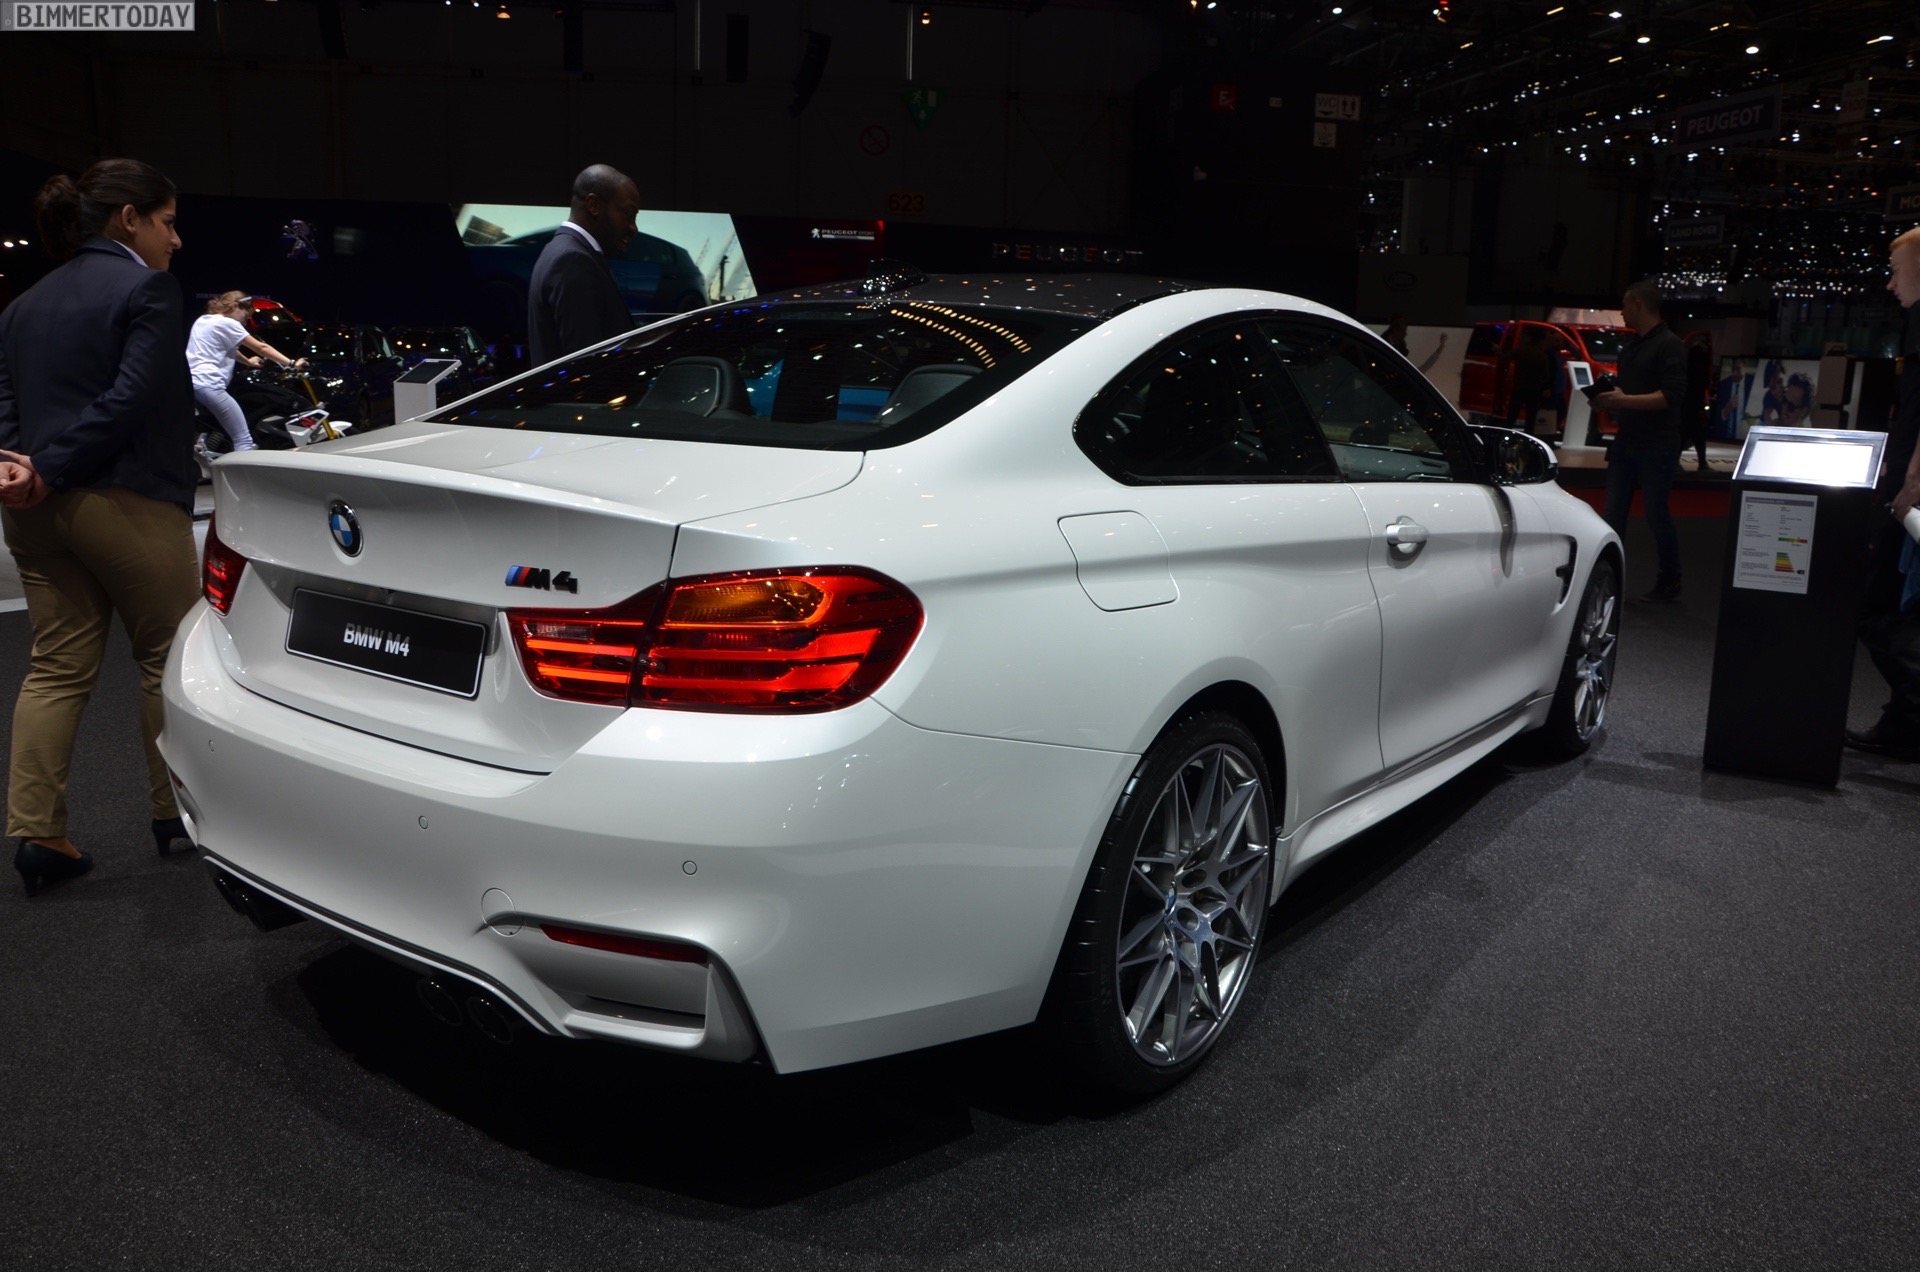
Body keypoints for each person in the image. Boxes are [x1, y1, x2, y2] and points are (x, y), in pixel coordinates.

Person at [0, 159, 203, 896]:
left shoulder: (22, 305)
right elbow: (132, 396)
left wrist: (19, 467)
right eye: (168, 222)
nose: (175, 240)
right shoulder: (147, 289)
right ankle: (175, 815)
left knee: (55, 667)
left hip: (32, 512)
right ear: (130, 219)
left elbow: (5, 400)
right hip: (125, 501)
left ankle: (39, 835)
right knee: (167, 659)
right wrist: (53, 466)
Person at [1848, 227, 1920, 758]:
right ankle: (1903, 725)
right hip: (1907, 485)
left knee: (1876, 606)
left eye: (1897, 271)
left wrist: (1911, 480)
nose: (1892, 284)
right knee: (1902, 608)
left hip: (1911, 494)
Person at [1593, 280, 1689, 603]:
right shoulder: (1633, 347)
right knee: (1613, 514)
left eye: (1624, 305)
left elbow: (1671, 396)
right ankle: (1608, 578)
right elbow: (1629, 393)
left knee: (1656, 515)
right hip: (1627, 442)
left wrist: (1623, 401)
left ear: (1638, 305)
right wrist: (1608, 400)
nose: (1621, 312)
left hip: (1657, 444)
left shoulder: (1670, 345)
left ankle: (1670, 579)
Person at [527, 164, 642, 366]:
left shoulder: (561, 250)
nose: (634, 228)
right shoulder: (572, 260)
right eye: (628, 214)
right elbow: (585, 365)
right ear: (593, 205)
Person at [186, 291, 307, 452]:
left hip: (189, 385)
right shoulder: (227, 323)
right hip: (209, 385)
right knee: (243, 440)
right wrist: (292, 364)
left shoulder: (203, 320)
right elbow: (261, 347)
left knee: (204, 434)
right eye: (246, 315)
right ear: (235, 306)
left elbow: (230, 348)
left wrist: (248, 362)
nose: (246, 320)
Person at [1502, 326, 1551, 432]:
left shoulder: (1520, 351)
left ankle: (1504, 436)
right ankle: (1527, 439)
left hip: (1519, 387)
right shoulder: (1542, 356)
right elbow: (1545, 376)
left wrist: (1497, 350)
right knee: (1530, 419)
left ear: (1529, 338)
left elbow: (1504, 357)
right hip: (1534, 390)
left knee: (1512, 416)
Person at [1683, 331, 1712, 472]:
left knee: (1692, 432)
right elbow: (1700, 382)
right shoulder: (1698, 358)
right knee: (1694, 432)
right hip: (1692, 401)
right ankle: (1702, 464)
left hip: (1690, 401)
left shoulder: (1691, 356)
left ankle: (1702, 463)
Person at [1382, 313, 1448, 373]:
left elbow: (1422, 368)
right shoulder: (1383, 347)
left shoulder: (1400, 348)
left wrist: (1441, 347)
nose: (1405, 334)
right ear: (1395, 330)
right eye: (1403, 331)